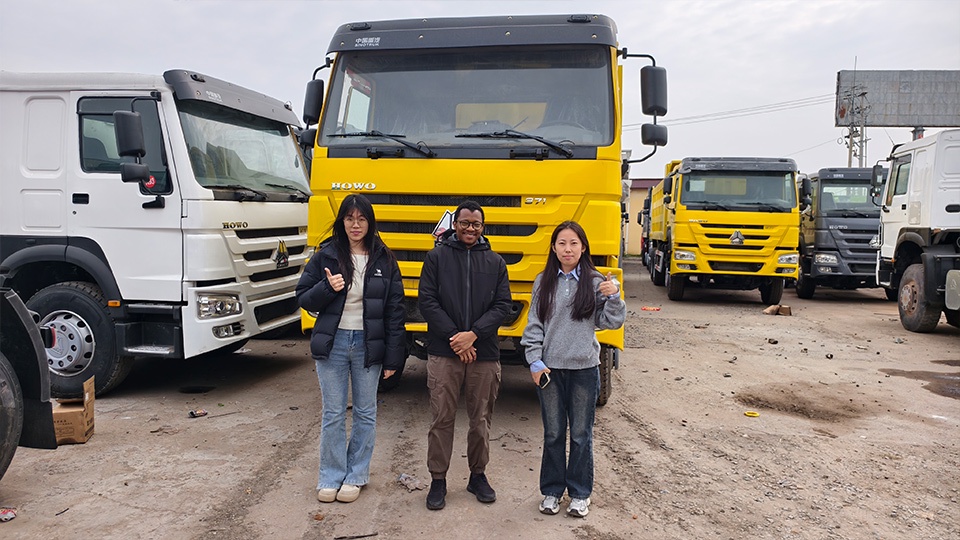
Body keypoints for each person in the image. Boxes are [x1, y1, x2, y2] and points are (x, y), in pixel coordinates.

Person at [295, 194, 405, 504]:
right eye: (349, 218)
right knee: (333, 413)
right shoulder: (326, 255)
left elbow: (395, 311)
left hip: (369, 344)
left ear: (370, 223)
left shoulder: (385, 259)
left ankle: (356, 475)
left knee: (365, 412)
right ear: (342, 222)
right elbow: (303, 297)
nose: (355, 225)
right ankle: (331, 476)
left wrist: (394, 357)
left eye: (361, 219)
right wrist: (327, 288)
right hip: (334, 342)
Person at [520, 221, 625, 518]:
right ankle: (552, 491)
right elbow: (534, 324)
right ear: (554, 247)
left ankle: (580, 494)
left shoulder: (595, 281)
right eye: (562, 243)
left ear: (583, 247)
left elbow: (610, 322)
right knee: (553, 433)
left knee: (581, 434)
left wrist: (614, 297)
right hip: (549, 371)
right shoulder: (543, 281)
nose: (568, 249)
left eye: (574, 243)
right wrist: (535, 360)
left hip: (584, 369)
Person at [418, 200, 512, 510]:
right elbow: (427, 301)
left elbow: (503, 305)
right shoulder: (436, 257)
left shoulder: (496, 262)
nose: (470, 228)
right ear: (455, 225)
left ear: (483, 227)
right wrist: (455, 338)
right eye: (465, 223)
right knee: (441, 418)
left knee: (480, 419)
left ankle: (478, 475)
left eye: (476, 224)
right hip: (443, 351)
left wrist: (473, 335)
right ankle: (438, 480)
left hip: (484, 353)